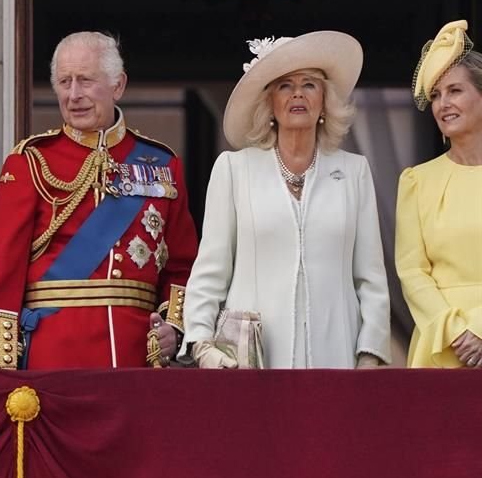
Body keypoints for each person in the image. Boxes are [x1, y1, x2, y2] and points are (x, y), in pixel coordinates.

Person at [0, 31, 198, 369]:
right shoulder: (31, 162)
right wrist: (1, 364)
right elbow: (1, 270)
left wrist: (173, 327)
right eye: (65, 82)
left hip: (136, 355)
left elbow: (182, 265)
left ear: (118, 85)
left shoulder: (162, 165)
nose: (74, 95)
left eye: (86, 80)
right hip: (51, 352)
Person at [181, 31, 391, 369]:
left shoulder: (354, 171)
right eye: (284, 85)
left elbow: (370, 277)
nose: (297, 94)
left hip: (337, 358)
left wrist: (369, 353)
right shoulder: (235, 169)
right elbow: (210, 270)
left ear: (324, 100)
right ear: (270, 104)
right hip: (251, 363)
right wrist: (202, 344)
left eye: (309, 84)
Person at [397, 20, 482, 368]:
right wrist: (457, 333)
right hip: (440, 346)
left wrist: (480, 328)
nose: (443, 103)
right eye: (435, 94)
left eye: (455, 90)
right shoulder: (417, 181)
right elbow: (411, 271)